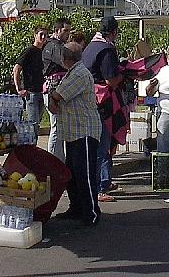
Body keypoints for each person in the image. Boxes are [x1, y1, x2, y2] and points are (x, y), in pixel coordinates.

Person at [48, 42, 102, 227]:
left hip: (84, 131)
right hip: (73, 131)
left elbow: (58, 96)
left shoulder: (79, 74)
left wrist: (52, 96)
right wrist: (52, 97)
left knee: (85, 174)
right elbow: (54, 98)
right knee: (72, 173)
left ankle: (91, 212)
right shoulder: (73, 72)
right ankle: (77, 207)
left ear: (65, 58)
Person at [82, 15, 124, 203]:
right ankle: (98, 188)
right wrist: (124, 75)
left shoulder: (90, 47)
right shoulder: (106, 49)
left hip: (89, 101)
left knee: (101, 144)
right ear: (114, 32)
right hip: (102, 103)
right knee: (103, 145)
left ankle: (104, 181)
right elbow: (110, 80)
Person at [42, 18, 72, 161]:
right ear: (57, 30)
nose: (68, 34)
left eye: (69, 31)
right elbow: (66, 64)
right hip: (53, 88)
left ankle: (58, 158)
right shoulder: (54, 46)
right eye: (65, 31)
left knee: (59, 126)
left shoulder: (52, 45)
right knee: (56, 126)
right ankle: (54, 159)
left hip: (55, 88)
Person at [13, 27, 48, 124]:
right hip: (31, 92)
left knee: (38, 121)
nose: (43, 37)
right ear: (35, 35)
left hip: (43, 91)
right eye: (41, 34)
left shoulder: (45, 52)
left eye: (45, 35)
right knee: (33, 123)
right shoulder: (29, 51)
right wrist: (19, 88)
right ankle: (32, 139)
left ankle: (34, 139)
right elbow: (16, 69)